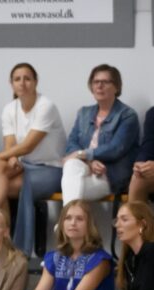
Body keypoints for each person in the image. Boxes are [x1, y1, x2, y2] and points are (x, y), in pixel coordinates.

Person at [0, 63, 67, 256]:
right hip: (24, 166)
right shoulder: (9, 109)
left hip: (50, 169)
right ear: (11, 84)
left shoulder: (46, 106)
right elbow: (11, 144)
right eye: (17, 79)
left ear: (35, 82)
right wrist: (11, 156)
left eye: (27, 78)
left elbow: (28, 146)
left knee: (0, 183)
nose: (22, 83)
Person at [60, 64, 139, 205]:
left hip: (109, 175)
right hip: (83, 167)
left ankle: (67, 218)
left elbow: (116, 148)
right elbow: (71, 143)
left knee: (72, 189)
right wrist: (89, 161)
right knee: (71, 166)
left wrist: (83, 154)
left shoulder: (127, 115)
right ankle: (71, 218)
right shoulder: (84, 113)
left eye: (105, 82)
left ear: (116, 87)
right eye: (96, 82)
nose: (99, 86)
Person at [124, 107, 154, 203]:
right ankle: (134, 212)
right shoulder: (153, 113)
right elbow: (148, 145)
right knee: (139, 178)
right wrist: (140, 164)